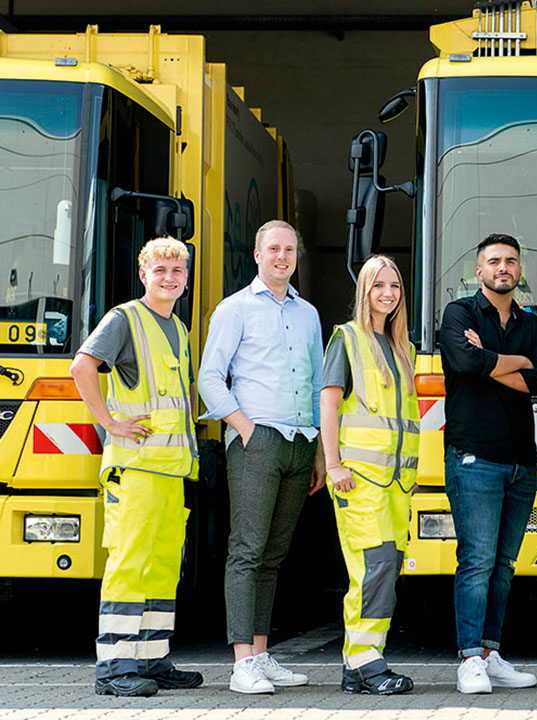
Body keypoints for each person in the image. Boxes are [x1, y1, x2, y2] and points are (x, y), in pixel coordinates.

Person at [70, 237, 204, 697]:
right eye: (161, 270)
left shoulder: (180, 330)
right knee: (129, 563)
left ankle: (150, 658)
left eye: (178, 271)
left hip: (170, 470)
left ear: (186, 279)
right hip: (136, 468)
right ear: (144, 274)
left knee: (163, 567)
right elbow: (82, 367)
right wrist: (109, 423)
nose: (170, 277)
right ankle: (114, 665)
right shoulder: (124, 319)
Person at [198, 220, 320, 694]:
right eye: (274, 249)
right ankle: (241, 662)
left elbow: (314, 383)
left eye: (289, 249)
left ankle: (262, 654)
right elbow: (210, 377)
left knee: (273, 554)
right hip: (257, 438)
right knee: (246, 551)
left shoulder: (308, 314)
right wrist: (245, 428)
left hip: (299, 441)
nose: (282, 257)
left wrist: (318, 452)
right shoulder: (235, 309)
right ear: (256, 255)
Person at [439, 234, 537, 694]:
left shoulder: (534, 323)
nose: (503, 267)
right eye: (494, 261)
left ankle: (490, 652)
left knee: (505, 563)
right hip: (474, 457)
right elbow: (463, 362)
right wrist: (514, 363)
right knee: (477, 561)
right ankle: (469, 659)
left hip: (523, 460)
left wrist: (492, 360)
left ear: (519, 271)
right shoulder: (459, 313)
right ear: (479, 270)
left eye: (511, 261)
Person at [319, 255, 419, 695]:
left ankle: (359, 664)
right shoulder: (348, 339)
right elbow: (327, 402)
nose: (388, 293)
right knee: (372, 568)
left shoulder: (402, 347)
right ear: (364, 291)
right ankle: (365, 663)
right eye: (379, 285)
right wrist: (334, 463)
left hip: (396, 484)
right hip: (358, 480)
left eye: (394, 286)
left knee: (387, 568)